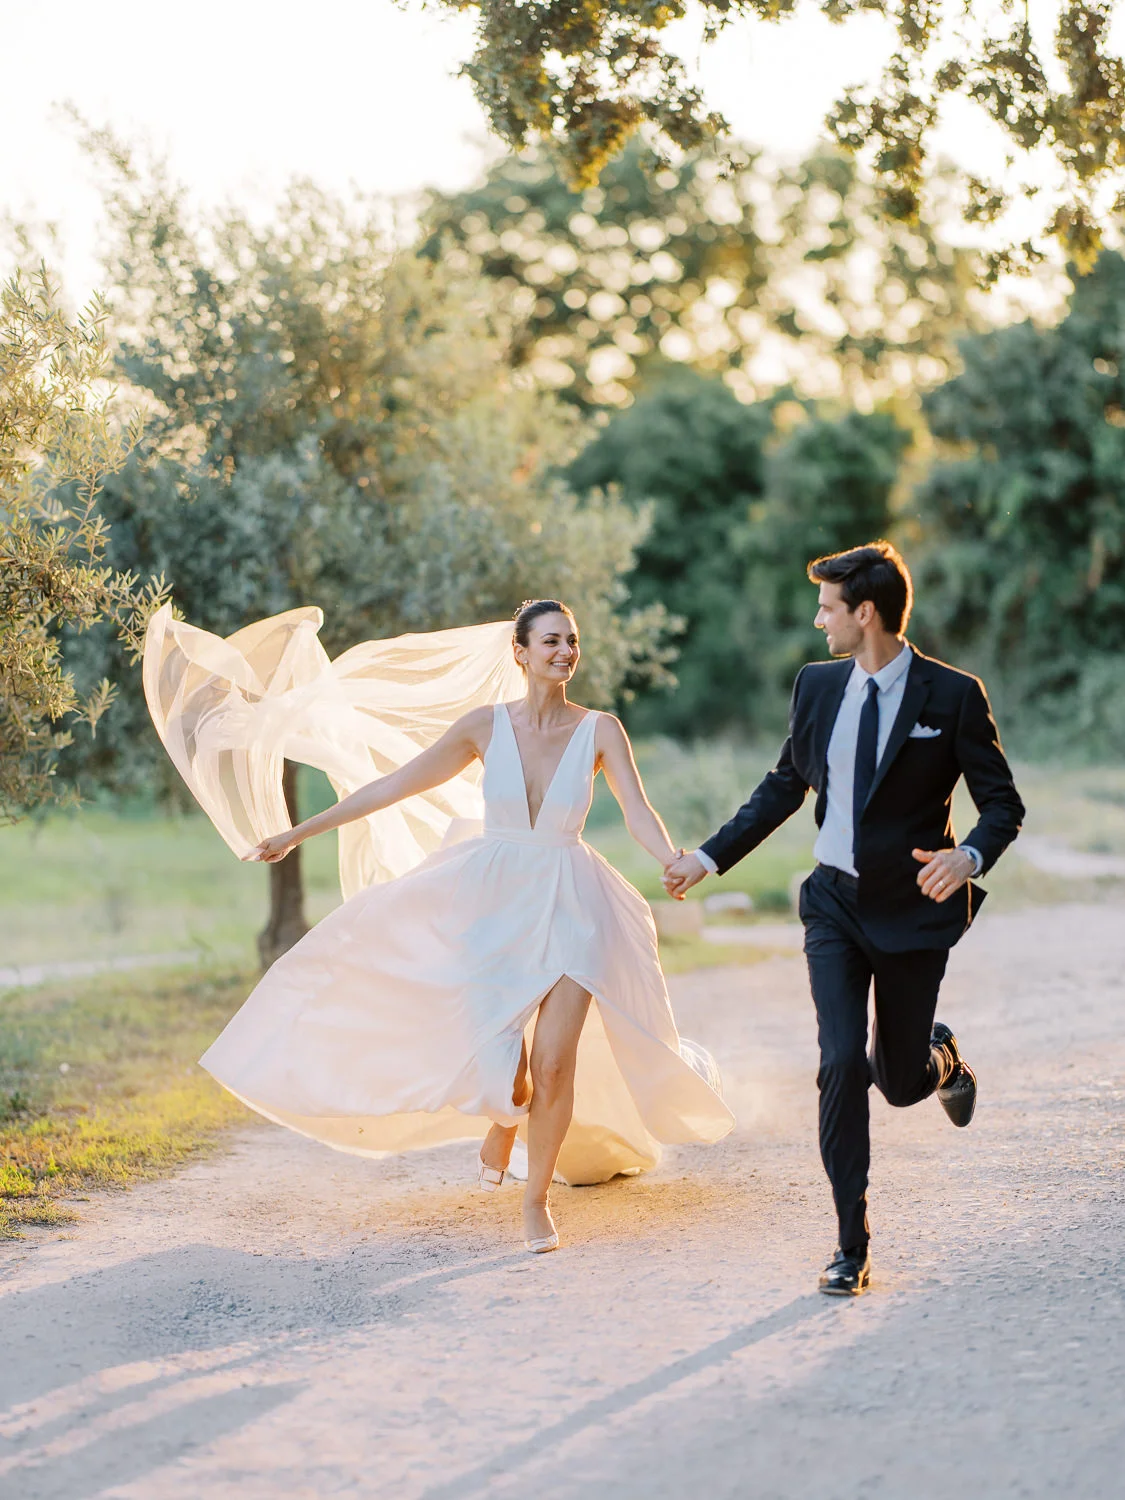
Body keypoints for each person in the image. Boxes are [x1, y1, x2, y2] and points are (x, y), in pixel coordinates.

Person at [143, 597, 733, 1255]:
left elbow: (637, 811)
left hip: (571, 899)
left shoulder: (600, 730)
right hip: (494, 901)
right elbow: (393, 785)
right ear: (519, 652)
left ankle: (534, 1201)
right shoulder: (484, 727)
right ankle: (505, 1119)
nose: (564, 652)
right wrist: (296, 832)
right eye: (550, 642)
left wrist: (671, 859)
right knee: (503, 1069)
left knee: (555, 1060)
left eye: (571, 641)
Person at [663, 542, 1024, 1295]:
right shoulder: (818, 686)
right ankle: (849, 1245)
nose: (816, 617)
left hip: (912, 912)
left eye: (827, 606)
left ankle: (939, 1056)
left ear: (864, 614)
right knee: (835, 1065)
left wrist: (969, 857)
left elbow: (1002, 804)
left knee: (895, 1082)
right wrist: (706, 856)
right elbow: (783, 784)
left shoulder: (950, 695)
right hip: (832, 904)